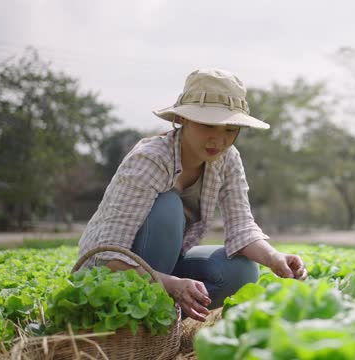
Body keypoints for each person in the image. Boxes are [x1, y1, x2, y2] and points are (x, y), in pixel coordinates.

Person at [77, 68, 308, 322]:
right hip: (114, 272)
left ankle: (165, 316)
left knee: (241, 272)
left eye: (230, 130)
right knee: (168, 206)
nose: (218, 139)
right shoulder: (151, 159)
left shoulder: (227, 159)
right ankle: (139, 314)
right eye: (208, 125)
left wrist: (275, 259)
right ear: (183, 119)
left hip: (165, 269)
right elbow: (107, 256)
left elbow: (241, 226)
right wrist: (171, 285)